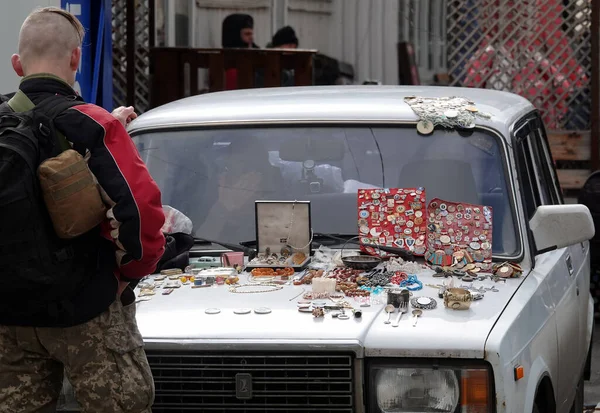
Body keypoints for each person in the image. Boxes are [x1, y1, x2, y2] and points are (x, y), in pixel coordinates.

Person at [0, 7, 165, 412]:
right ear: (76, 58)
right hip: (86, 308)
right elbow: (142, 212)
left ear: (17, 64)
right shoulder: (91, 124)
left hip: (10, 314)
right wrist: (127, 275)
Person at [221, 13, 259, 90]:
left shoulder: (257, 55)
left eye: (251, 34)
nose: (251, 38)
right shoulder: (225, 65)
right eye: (247, 34)